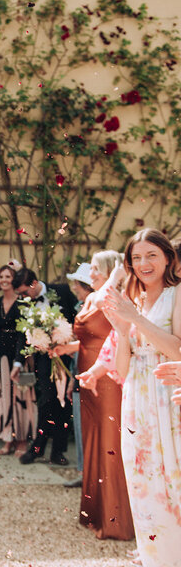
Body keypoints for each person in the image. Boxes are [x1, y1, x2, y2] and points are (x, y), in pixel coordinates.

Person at [99, 228, 181, 566]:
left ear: (167, 258)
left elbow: (176, 348)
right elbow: (123, 369)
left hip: (169, 395)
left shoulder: (176, 295)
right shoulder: (134, 301)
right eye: (136, 257)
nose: (144, 263)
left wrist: (135, 320)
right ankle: (155, 557)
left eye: (151, 255)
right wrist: (121, 331)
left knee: (173, 477)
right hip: (137, 399)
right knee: (143, 478)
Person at [52, 251, 134, 540]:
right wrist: (65, 348)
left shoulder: (112, 298)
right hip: (87, 376)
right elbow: (89, 338)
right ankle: (95, 510)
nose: (92, 274)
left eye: (97, 269)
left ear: (112, 271)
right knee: (93, 442)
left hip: (109, 379)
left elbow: (120, 337)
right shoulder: (91, 298)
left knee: (110, 442)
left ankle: (116, 520)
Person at [12, 268, 77, 465]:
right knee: (47, 402)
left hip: (66, 357)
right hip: (44, 359)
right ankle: (38, 448)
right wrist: (18, 362)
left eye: (24, 292)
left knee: (64, 405)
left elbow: (78, 320)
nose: (22, 297)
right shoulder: (25, 303)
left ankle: (57, 451)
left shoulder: (62, 291)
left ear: (34, 283)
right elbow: (22, 336)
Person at [0, 265, 34, 455]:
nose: (4, 279)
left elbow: (26, 331)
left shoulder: (24, 303)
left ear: (14, 279)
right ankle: (7, 439)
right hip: (0, 355)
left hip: (19, 355)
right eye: (1, 276)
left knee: (20, 397)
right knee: (2, 396)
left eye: (8, 276)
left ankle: (21, 440)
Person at [63, 262, 94, 487]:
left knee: (88, 426)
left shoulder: (92, 309)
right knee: (80, 425)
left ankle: (90, 473)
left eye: (77, 283)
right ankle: (84, 472)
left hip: (90, 369)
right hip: (77, 369)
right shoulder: (79, 306)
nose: (74, 287)